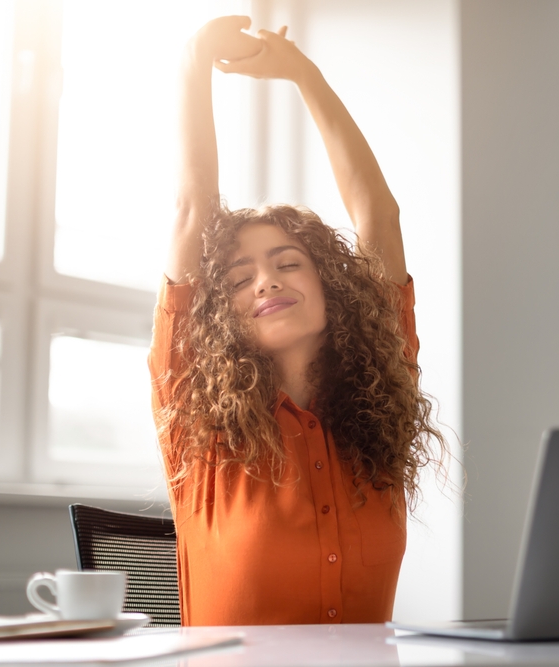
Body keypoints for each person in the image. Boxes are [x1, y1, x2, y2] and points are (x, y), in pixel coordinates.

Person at [149, 15, 445, 626]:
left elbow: (379, 218)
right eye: (238, 279)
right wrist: (195, 57)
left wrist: (303, 74)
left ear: (332, 288)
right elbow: (192, 206)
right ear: (217, 313)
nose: (267, 281)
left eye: (288, 262)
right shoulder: (197, 418)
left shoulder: (379, 399)